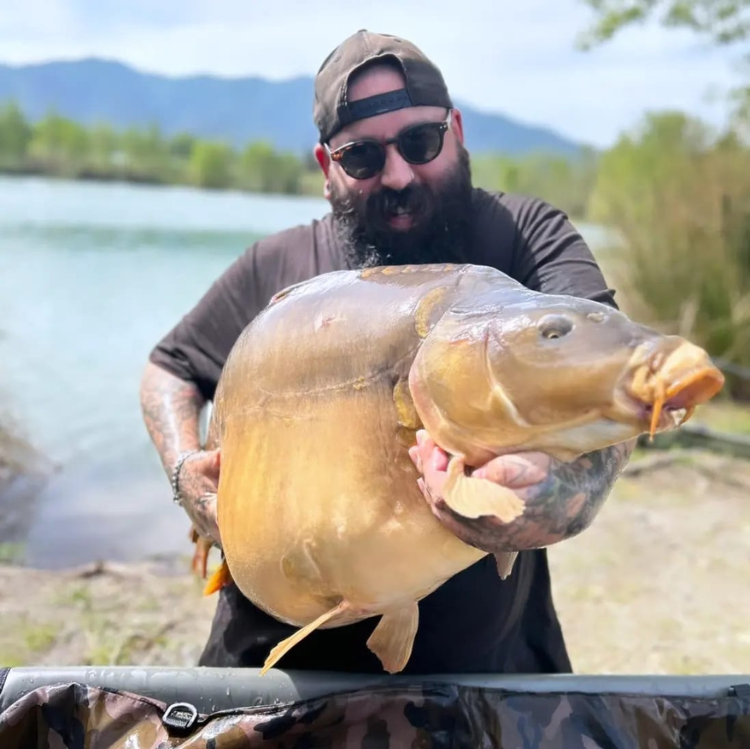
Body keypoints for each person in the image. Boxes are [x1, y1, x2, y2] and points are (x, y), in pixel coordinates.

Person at [140, 29, 634, 674]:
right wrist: (185, 473)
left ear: (457, 131)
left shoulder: (524, 239)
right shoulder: (275, 267)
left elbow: (608, 372)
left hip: (480, 666)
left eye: (421, 142)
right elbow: (170, 368)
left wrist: (544, 504)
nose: (398, 175)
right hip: (275, 660)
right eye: (363, 157)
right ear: (327, 168)